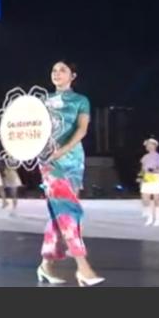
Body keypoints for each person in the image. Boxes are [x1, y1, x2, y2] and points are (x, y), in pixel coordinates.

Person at [35, 61, 104, 287]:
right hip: (49, 162)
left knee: (59, 214)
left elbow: (82, 129)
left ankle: (45, 266)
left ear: (73, 75)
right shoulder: (43, 102)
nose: (57, 73)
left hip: (73, 161)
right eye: (53, 70)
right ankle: (83, 267)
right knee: (68, 211)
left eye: (62, 70)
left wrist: (64, 150)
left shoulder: (80, 100)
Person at [139, 139, 159, 226]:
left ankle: (157, 219)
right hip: (147, 179)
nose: (148, 146)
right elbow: (142, 169)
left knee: (156, 200)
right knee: (146, 199)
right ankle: (149, 218)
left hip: (155, 178)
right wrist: (141, 177)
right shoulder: (145, 157)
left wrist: (153, 170)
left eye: (150, 145)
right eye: (147, 145)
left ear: (155, 146)